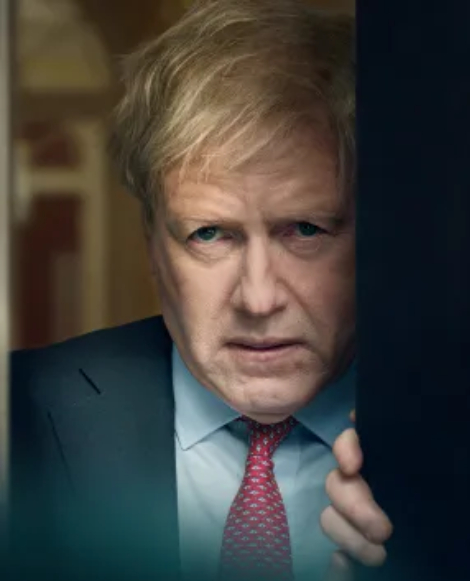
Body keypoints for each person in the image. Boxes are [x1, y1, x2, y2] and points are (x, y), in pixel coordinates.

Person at [7, 1, 390, 580]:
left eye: (306, 230)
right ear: (152, 246)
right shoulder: (18, 416)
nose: (258, 300)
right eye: (209, 234)